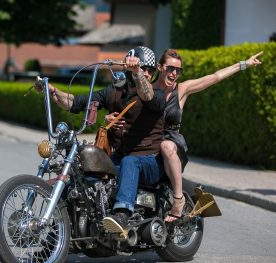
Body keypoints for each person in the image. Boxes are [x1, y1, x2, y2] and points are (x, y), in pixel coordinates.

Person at [37, 46, 166, 233]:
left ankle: (122, 214)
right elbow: (76, 102)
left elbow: (147, 96)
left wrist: (137, 71)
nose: (146, 73)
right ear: (126, 70)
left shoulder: (157, 93)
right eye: (142, 68)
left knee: (131, 161)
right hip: (121, 158)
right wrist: (52, 91)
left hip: (151, 160)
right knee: (84, 174)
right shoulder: (114, 92)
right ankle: (59, 233)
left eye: (150, 70)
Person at [150, 49, 263, 222]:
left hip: (171, 145)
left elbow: (216, 76)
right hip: (149, 144)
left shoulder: (181, 90)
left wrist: (243, 65)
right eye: (170, 68)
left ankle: (178, 201)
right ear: (160, 67)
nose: (174, 73)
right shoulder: (147, 90)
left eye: (178, 70)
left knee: (166, 146)